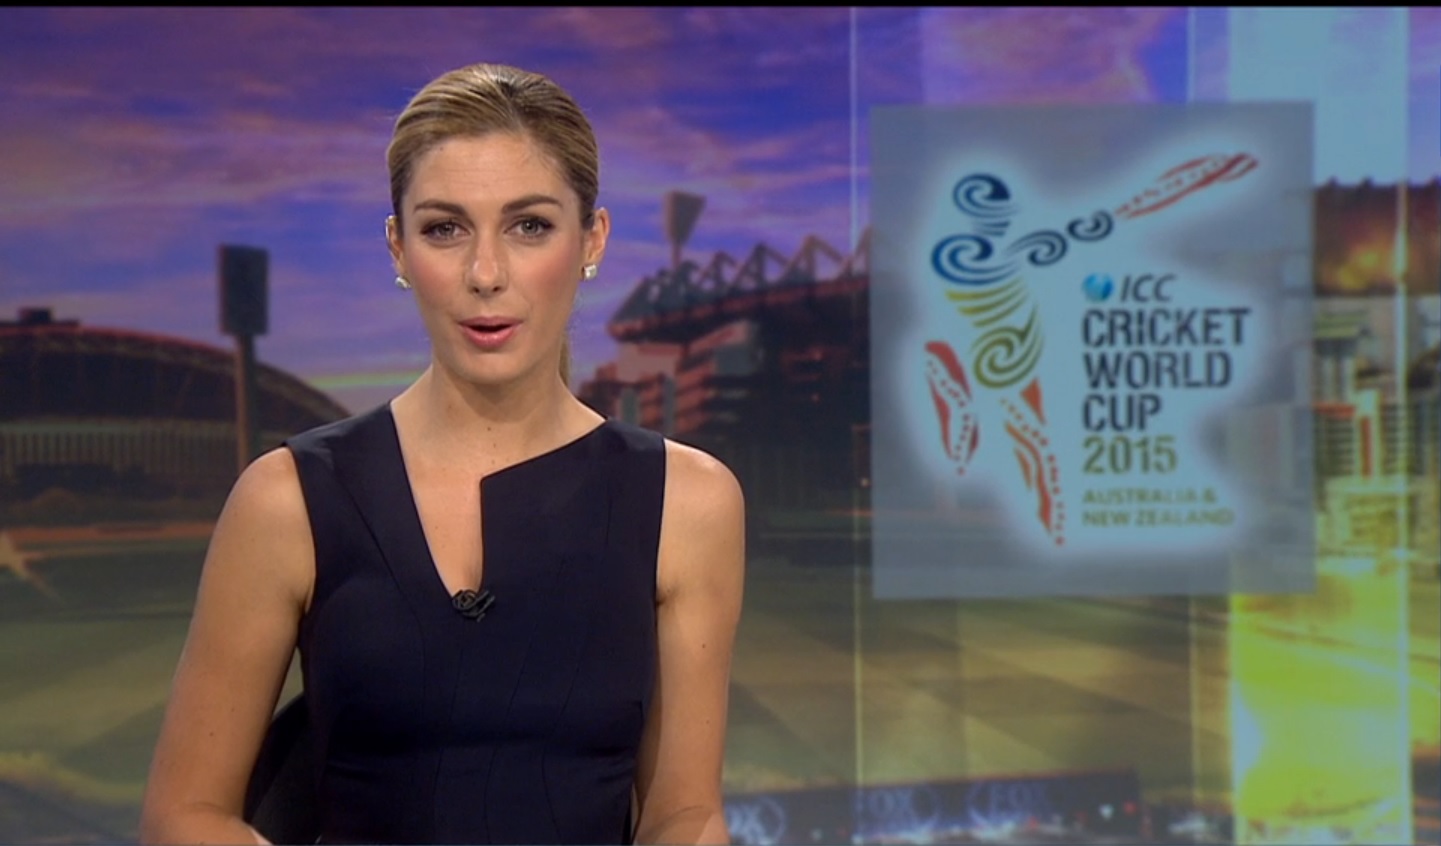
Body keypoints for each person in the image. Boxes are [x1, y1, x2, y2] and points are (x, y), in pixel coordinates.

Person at [138, 62, 745, 846]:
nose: (485, 274)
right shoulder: (287, 498)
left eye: (529, 226)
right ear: (398, 247)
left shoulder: (686, 501)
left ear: (591, 239)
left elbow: (685, 815)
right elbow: (184, 814)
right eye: (444, 230)